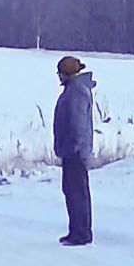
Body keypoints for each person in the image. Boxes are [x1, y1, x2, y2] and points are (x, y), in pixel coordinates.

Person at [54, 55, 95, 245]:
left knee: (77, 192)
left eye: (60, 73)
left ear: (66, 74)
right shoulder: (75, 90)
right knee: (72, 191)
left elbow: (77, 124)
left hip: (75, 152)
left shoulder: (76, 92)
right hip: (72, 150)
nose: (58, 77)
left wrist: (72, 147)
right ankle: (76, 231)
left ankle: (81, 234)